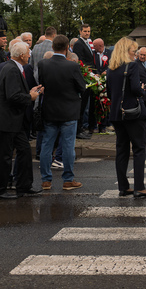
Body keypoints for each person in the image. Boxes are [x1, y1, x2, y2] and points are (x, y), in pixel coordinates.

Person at [0, 41, 44, 199]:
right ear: (21, 55)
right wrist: (31, 97)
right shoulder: (11, 69)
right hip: (6, 121)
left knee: (25, 152)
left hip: (14, 121)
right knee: (4, 156)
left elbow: (13, 91)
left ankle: (24, 186)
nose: (30, 55)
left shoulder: (12, 67)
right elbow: (12, 96)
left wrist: (29, 91)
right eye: (28, 52)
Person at [38, 34, 86, 191]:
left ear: (52, 47)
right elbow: (82, 87)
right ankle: (68, 179)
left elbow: (42, 83)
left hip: (50, 110)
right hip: (68, 111)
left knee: (47, 145)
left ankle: (46, 180)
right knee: (67, 146)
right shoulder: (72, 66)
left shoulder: (43, 64)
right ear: (67, 49)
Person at [107, 37, 146, 198]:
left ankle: (123, 186)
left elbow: (108, 92)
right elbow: (135, 89)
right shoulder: (132, 66)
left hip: (116, 113)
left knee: (122, 150)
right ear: (127, 51)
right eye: (134, 51)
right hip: (133, 112)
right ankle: (139, 187)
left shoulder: (111, 68)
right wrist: (141, 89)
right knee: (139, 149)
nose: (135, 54)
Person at [71, 24, 94, 139]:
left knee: (85, 105)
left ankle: (80, 128)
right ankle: (78, 130)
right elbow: (81, 61)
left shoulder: (88, 43)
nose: (87, 33)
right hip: (85, 77)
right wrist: (90, 72)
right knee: (82, 105)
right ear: (80, 32)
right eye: (85, 31)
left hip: (90, 76)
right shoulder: (79, 44)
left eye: (88, 31)